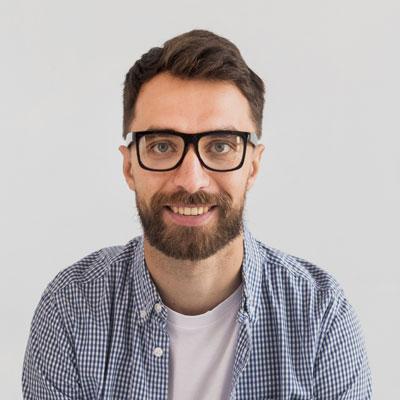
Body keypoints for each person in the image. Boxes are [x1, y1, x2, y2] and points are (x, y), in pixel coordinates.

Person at [22, 29, 372, 399]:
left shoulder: (320, 316)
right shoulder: (72, 308)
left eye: (220, 146)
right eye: (162, 146)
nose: (191, 180)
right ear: (129, 167)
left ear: (252, 167)